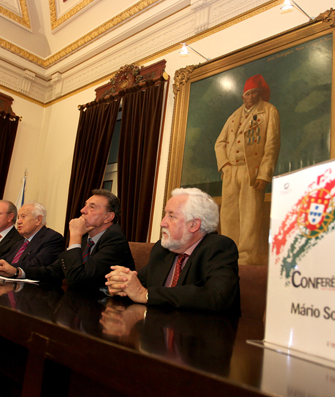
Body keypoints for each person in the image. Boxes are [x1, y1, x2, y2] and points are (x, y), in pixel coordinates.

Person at [105, 188, 240, 313]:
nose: (162, 222)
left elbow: (217, 296)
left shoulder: (219, 247)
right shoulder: (161, 249)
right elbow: (138, 286)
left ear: (193, 224)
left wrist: (146, 295)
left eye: (171, 216)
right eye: (165, 214)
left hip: (199, 334)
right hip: (157, 330)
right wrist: (121, 285)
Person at [0, 189, 135, 290]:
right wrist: (17, 272)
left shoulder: (114, 239)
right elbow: (54, 271)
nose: (82, 210)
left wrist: (74, 237)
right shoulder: (87, 238)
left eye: (91, 207)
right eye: (85, 205)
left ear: (108, 217)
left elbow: (78, 281)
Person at [214, 74, 280, 265]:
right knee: (229, 215)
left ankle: (245, 260)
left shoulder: (269, 112)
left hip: (252, 170)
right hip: (231, 171)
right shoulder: (234, 116)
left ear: (259, 94)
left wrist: (264, 173)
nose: (250, 97)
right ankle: (228, 256)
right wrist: (225, 165)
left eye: (254, 93)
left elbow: (272, 145)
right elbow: (220, 143)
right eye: (247, 94)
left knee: (250, 215)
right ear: (243, 96)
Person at [0, 202, 64, 274]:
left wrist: (2, 268)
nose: (18, 222)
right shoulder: (20, 243)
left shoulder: (52, 238)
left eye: (23, 217)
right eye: (18, 218)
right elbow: (3, 260)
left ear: (38, 220)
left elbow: (35, 265)